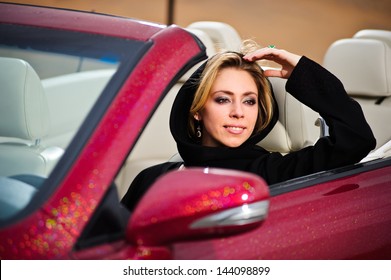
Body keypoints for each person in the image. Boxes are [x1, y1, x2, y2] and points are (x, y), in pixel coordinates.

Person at [121, 41, 376, 211]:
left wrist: (302, 71)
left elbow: (354, 139)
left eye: (249, 101)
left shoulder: (271, 174)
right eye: (223, 99)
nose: (238, 113)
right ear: (197, 110)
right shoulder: (152, 178)